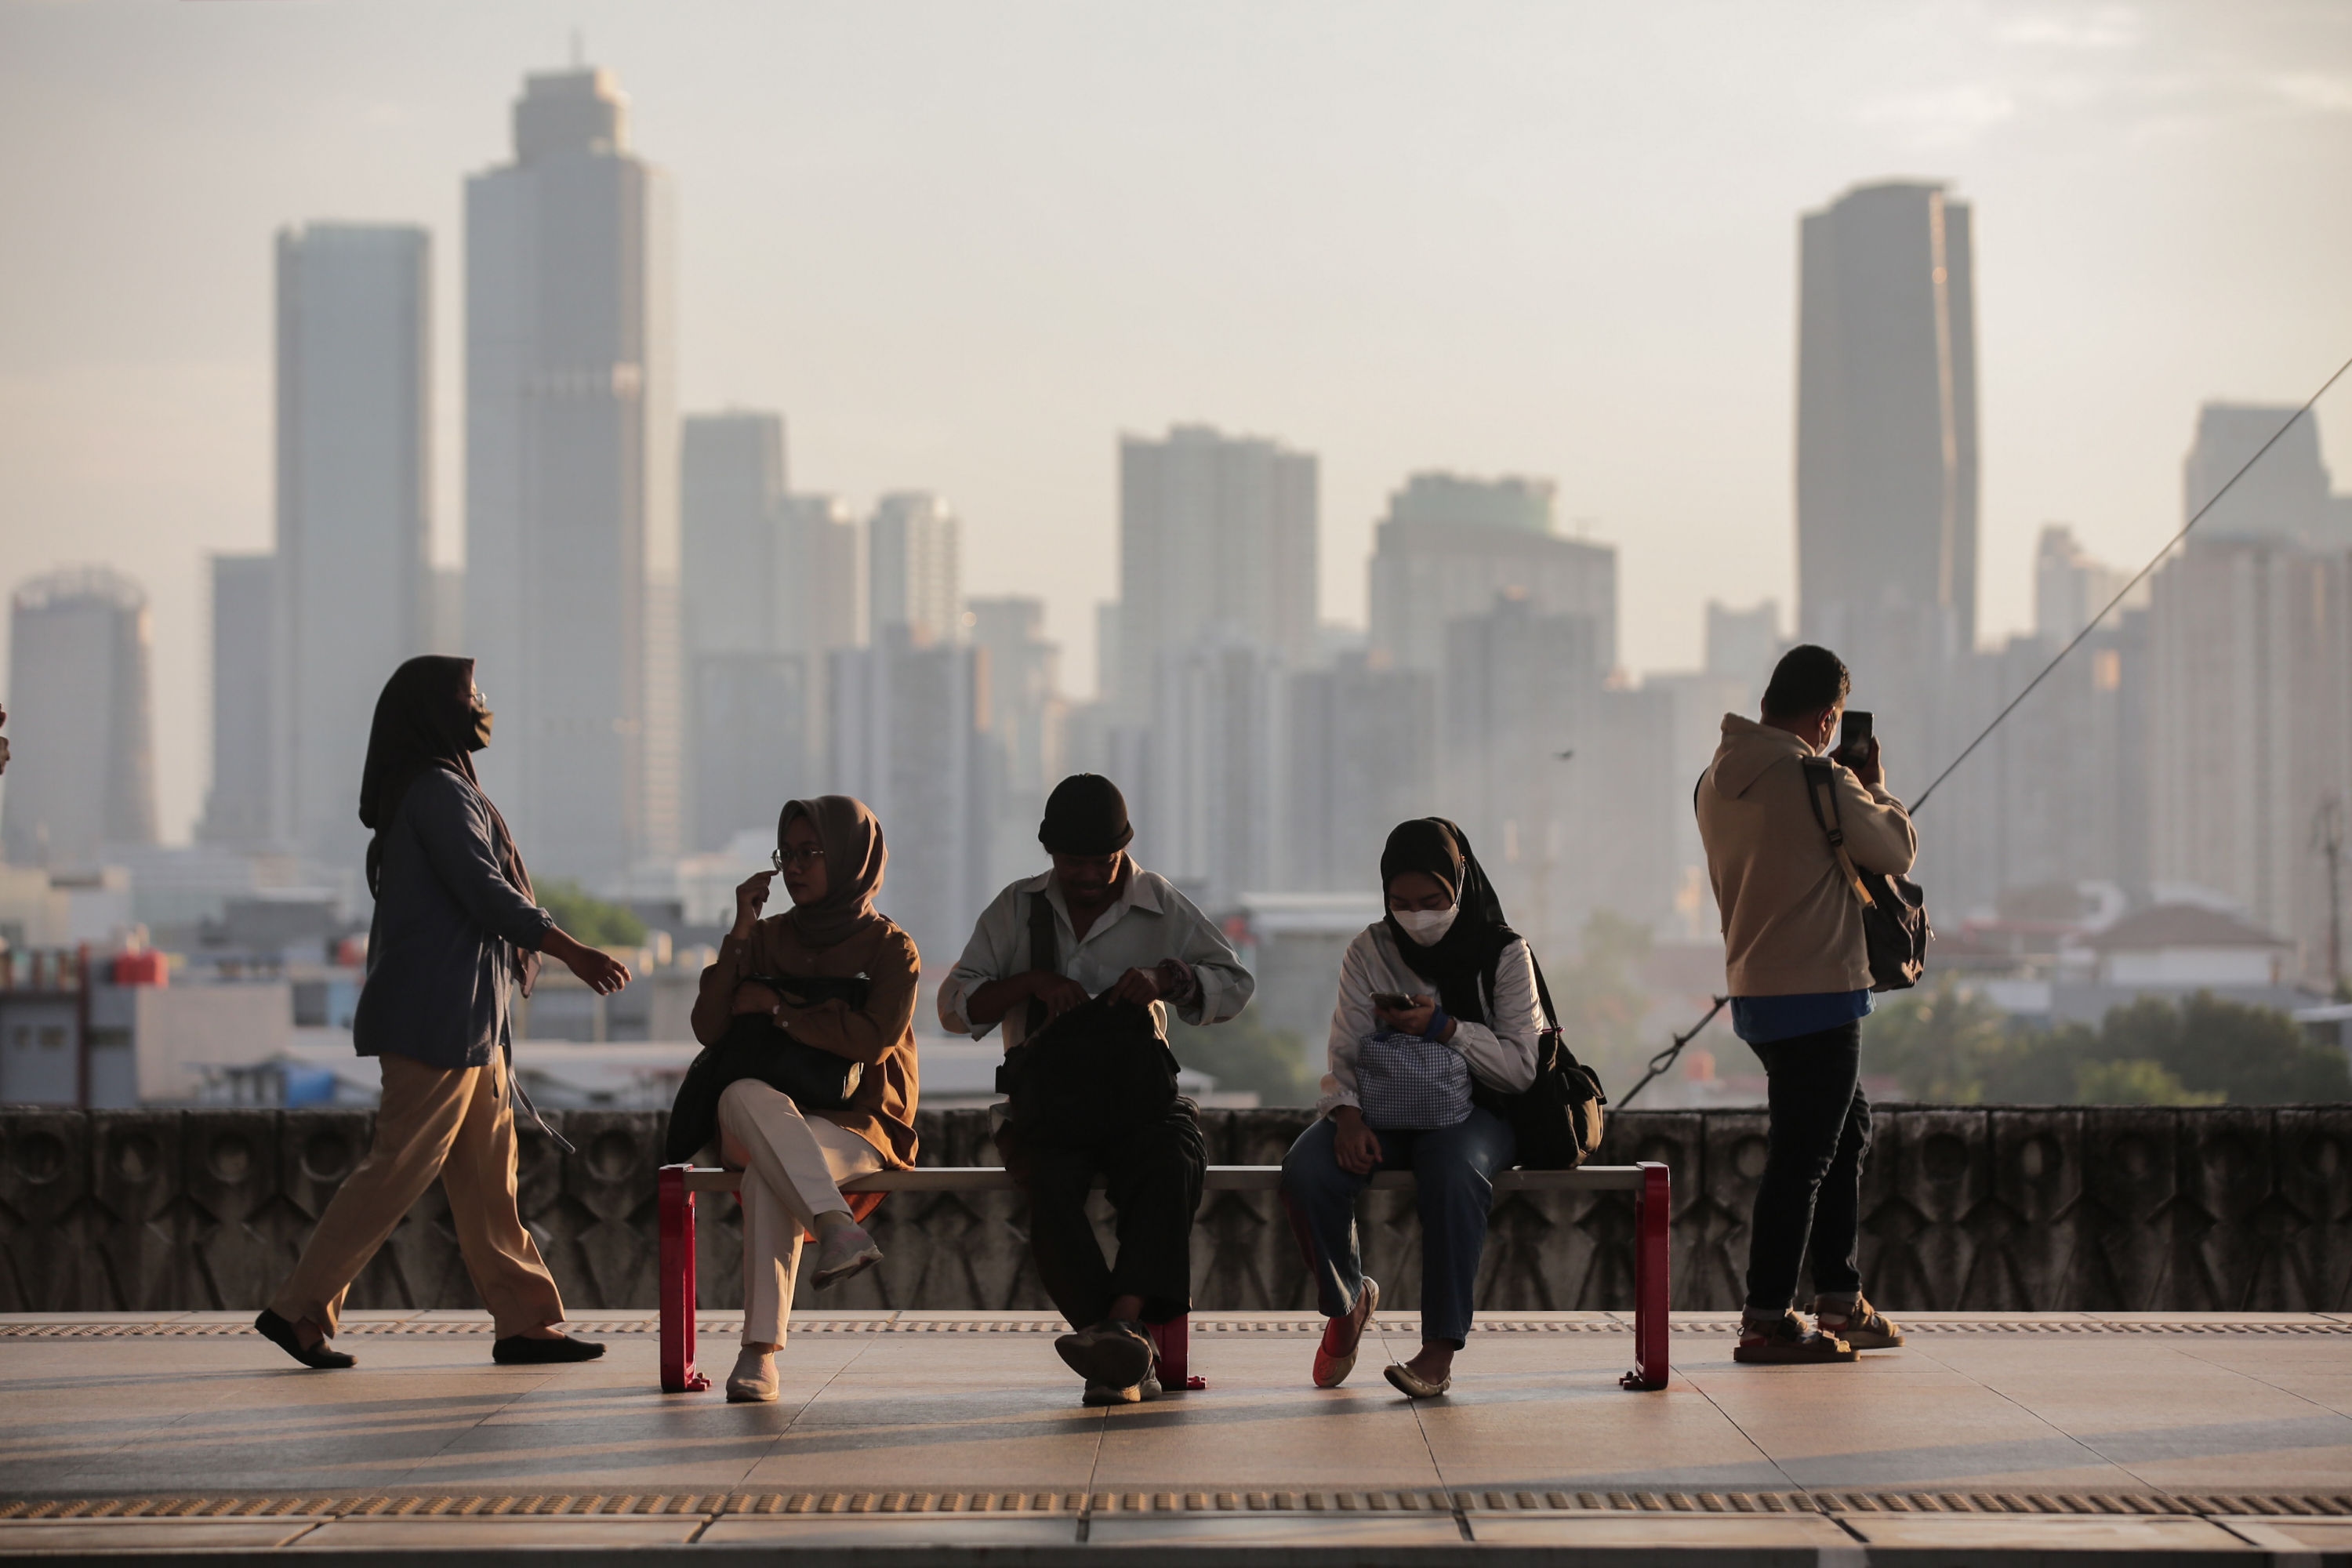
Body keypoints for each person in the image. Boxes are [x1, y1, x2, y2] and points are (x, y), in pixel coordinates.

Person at [256, 657, 633, 1370]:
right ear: (436, 711)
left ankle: (525, 1324)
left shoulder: (441, 788)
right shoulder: (437, 792)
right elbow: (487, 893)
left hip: (472, 1028)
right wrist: (573, 951)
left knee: (491, 1181)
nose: (482, 704)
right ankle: (298, 1309)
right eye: (470, 695)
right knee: (397, 1170)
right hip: (436, 1023)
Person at [938, 774, 1254, 1406]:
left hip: (1140, 1100)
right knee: (1049, 1187)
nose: (1086, 875)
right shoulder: (1015, 908)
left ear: (1123, 851)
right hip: (1048, 1105)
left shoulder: (1161, 905)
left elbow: (1234, 984)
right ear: (1051, 854)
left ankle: (1123, 1325)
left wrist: (1168, 978)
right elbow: (954, 1007)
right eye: (1073, 862)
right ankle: (1116, 1345)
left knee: (1174, 1161)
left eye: (1100, 861)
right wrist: (1032, 981)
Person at [1697, 644, 1917, 1364]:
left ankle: (1838, 1297)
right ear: (1828, 718)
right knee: (1806, 1156)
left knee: (1845, 1129)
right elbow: (1895, 849)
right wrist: (1874, 786)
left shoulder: (1713, 782)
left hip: (1757, 991)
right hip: (1822, 991)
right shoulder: (1817, 777)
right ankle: (1766, 1316)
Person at [1279, 818, 1539, 1399]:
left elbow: (1520, 1068)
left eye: (1431, 902)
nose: (1417, 916)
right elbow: (1345, 1044)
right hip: (1381, 1107)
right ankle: (1346, 1303)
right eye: (1401, 903)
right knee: (1308, 1169)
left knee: (1451, 1174)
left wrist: (1445, 1029)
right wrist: (1346, 1115)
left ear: (1460, 884)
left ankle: (1438, 1351)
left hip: (1477, 1111)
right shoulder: (1370, 949)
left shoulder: (1503, 953)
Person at [686, 796, 920, 1404]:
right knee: (740, 1092)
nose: (795, 867)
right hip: (756, 1114)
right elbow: (709, 1027)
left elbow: (873, 1041)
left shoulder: (890, 950)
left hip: (853, 1125)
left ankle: (757, 1353)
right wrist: (740, 927)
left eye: (812, 853)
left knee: (770, 1173)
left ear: (851, 857)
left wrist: (779, 1012)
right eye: (786, 854)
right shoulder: (764, 939)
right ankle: (834, 1225)